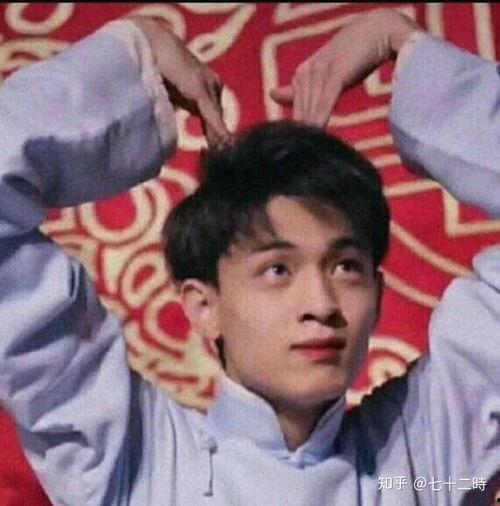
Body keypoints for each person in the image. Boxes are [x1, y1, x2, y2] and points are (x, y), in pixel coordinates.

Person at [1, 7, 499, 506]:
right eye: (277, 269)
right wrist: (133, 59)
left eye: (346, 267)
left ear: (379, 293)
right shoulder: (133, 460)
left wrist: (410, 55)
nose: (321, 304)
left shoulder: (423, 463)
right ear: (204, 305)